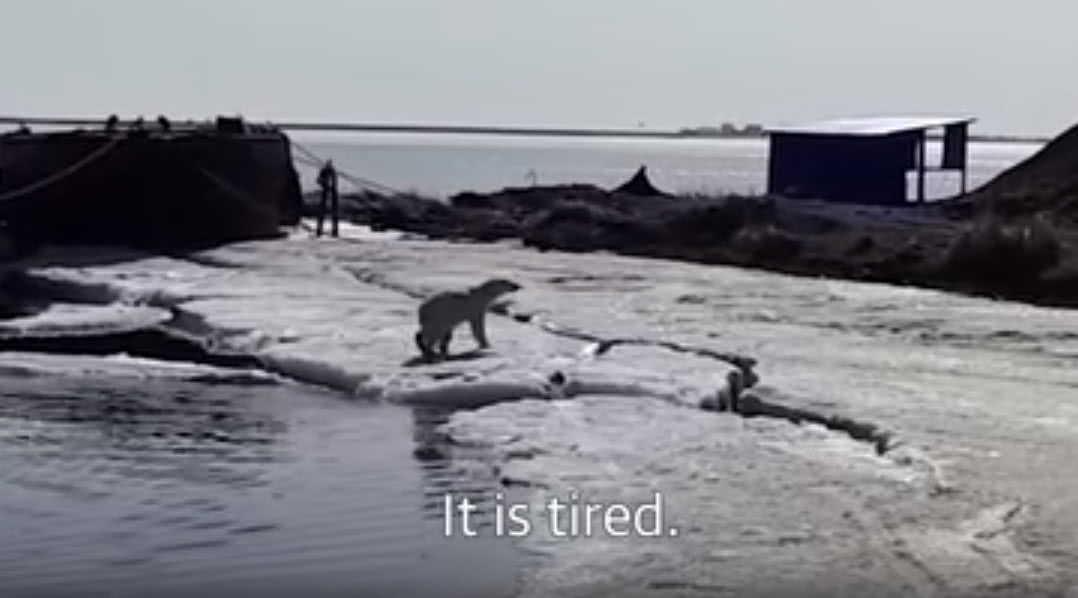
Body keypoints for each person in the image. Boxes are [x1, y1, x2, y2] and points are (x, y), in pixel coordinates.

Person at [316, 160, 340, 237]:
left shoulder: (333, 172)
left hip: (332, 192)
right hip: (325, 192)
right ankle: (319, 230)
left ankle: (334, 231)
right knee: (321, 212)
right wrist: (324, 182)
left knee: (334, 213)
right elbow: (318, 180)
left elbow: (334, 183)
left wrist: (330, 186)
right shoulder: (323, 171)